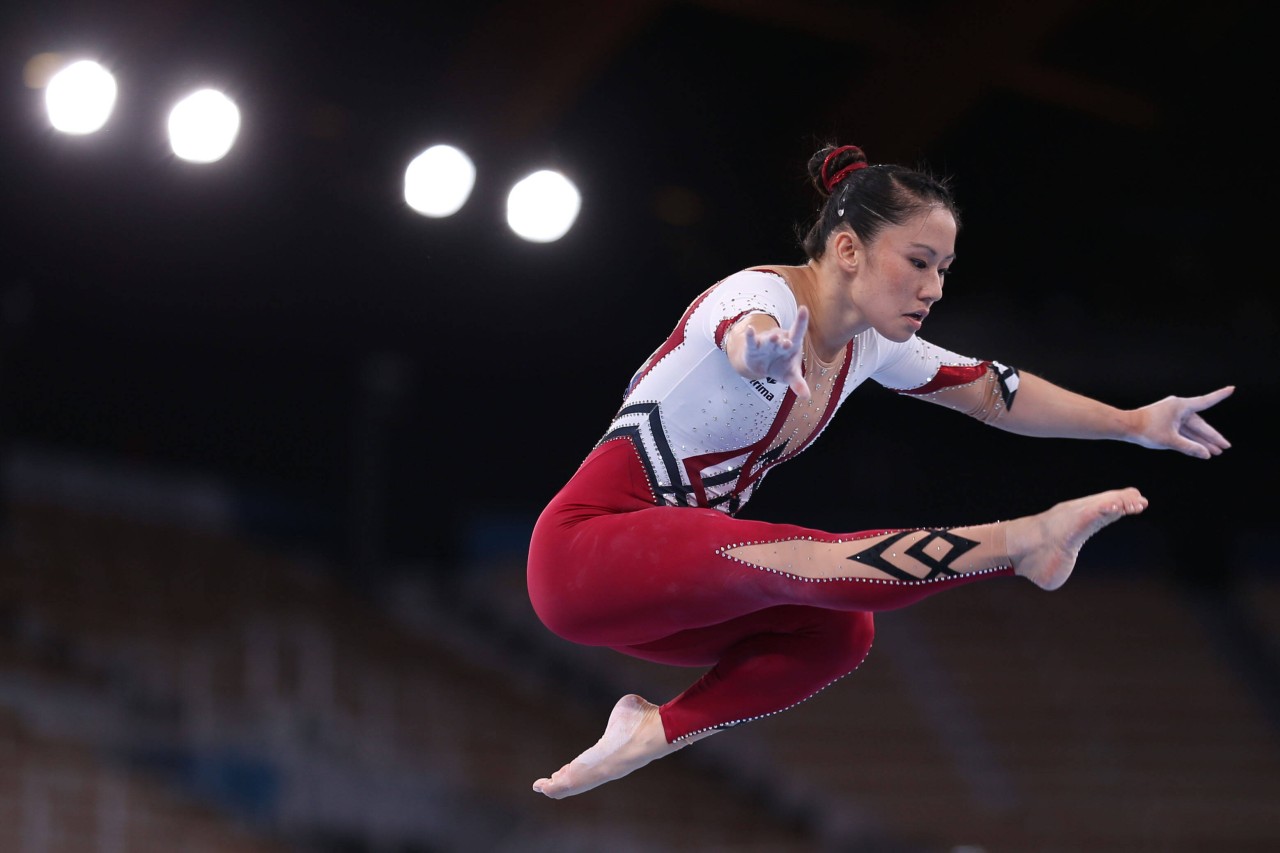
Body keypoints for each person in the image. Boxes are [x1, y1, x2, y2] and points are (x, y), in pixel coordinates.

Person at [525, 142, 1233, 799]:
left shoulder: (871, 347)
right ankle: (1020, 542)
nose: (935, 287)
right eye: (920, 261)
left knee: (841, 629)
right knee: (804, 559)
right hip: (585, 551)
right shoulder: (764, 297)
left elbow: (996, 390)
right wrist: (762, 355)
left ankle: (652, 732)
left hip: (664, 588)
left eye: (944, 270)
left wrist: (1134, 423)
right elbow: (737, 330)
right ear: (847, 249)